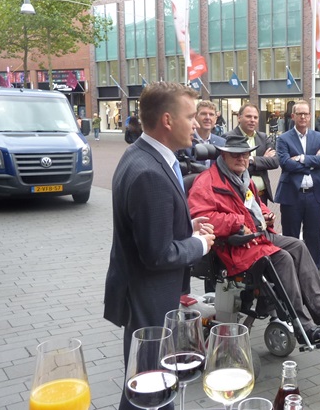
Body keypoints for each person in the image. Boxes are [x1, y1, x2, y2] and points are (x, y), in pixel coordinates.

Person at [103, 82, 216, 410]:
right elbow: (156, 254)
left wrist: (184, 227)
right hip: (150, 302)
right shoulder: (149, 172)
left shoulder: (141, 154)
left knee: (142, 385)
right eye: (191, 116)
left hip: (142, 296)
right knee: (152, 391)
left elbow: (147, 229)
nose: (196, 124)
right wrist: (198, 244)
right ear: (167, 120)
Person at [188, 134, 320, 344]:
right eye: (236, 155)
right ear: (224, 155)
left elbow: (254, 205)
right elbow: (202, 217)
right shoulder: (206, 181)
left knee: (298, 245)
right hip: (233, 245)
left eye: (245, 155)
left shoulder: (243, 177)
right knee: (283, 258)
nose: (242, 159)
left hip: (257, 236)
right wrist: (238, 221)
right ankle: (304, 327)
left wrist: (265, 214)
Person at [275, 100, 320, 269]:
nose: (303, 117)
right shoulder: (283, 139)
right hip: (292, 196)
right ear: (293, 116)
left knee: (313, 239)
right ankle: (291, 275)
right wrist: (314, 160)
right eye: (299, 114)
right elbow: (285, 164)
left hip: (314, 196)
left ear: (310, 115)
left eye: (306, 113)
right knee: (291, 240)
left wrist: (302, 158)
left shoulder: (319, 137)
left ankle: (314, 280)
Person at [229, 103, 279, 205]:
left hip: (261, 196)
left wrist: (252, 160)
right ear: (239, 118)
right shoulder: (230, 138)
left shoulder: (263, 137)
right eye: (248, 116)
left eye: (255, 117)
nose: (252, 120)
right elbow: (235, 167)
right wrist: (262, 161)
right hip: (239, 195)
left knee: (263, 221)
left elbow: (275, 162)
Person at [180, 100, 226, 168]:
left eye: (211, 114)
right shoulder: (183, 142)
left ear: (215, 119)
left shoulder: (222, 143)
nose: (207, 118)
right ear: (195, 117)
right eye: (203, 114)